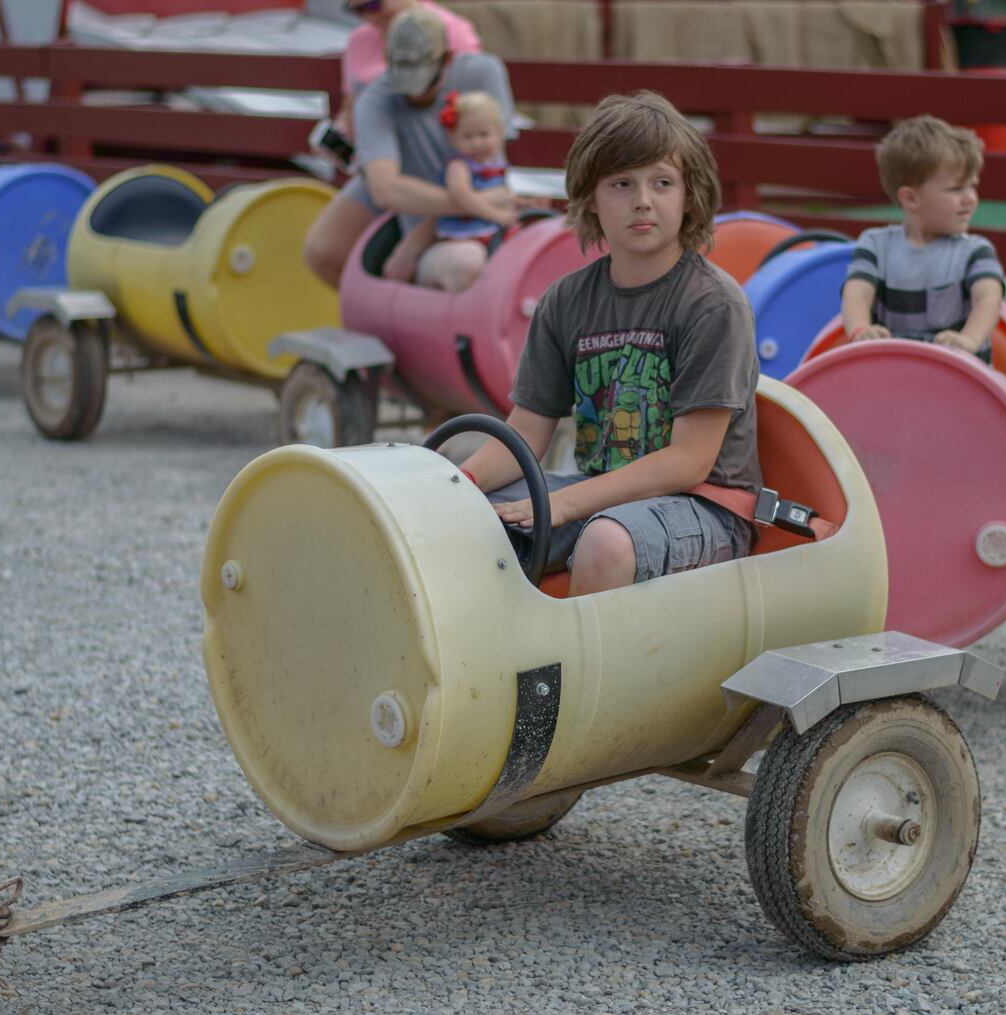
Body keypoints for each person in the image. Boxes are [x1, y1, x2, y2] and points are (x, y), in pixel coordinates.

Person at [457, 91, 761, 597]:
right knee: (467, 528)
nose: (643, 200)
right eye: (621, 183)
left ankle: (576, 677)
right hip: (601, 493)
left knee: (605, 544)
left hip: (705, 505)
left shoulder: (713, 304)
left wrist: (565, 506)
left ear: (689, 195)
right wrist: (455, 487)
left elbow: (689, 461)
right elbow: (526, 432)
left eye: (662, 182)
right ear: (591, 198)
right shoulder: (566, 300)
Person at [302, 4, 510, 290]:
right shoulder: (376, 96)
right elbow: (385, 189)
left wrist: (418, 239)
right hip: (441, 192)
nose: (413, 94)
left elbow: (488, 171)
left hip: (459, 213)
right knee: (321, 249)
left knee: (462, 263)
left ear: (447, 60)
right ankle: (376, 312)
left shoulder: (480, 71)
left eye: (424, 83)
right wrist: (476, 202)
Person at [840, 114, 1005, 365]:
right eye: (956, 189)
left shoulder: (976, 252)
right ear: (910, 198)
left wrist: (968, 340)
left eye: (972, 186)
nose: (969, 198)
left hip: (963, 379)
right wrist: (862, 331)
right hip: (893, 376)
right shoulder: (875, 245)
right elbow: (856, 294)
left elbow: (988, 299)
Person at [382, 90, 513, 290]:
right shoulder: (458, 167)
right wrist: (497, 214)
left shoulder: (495, 166)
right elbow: (461, 197)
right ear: (452, 138)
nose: (477, 143)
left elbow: (503, 195)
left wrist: (523, 202)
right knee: (469, 259)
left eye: (484, 134)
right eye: (468, 136)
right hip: (460, 237)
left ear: (499, 133)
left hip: (489, 235)